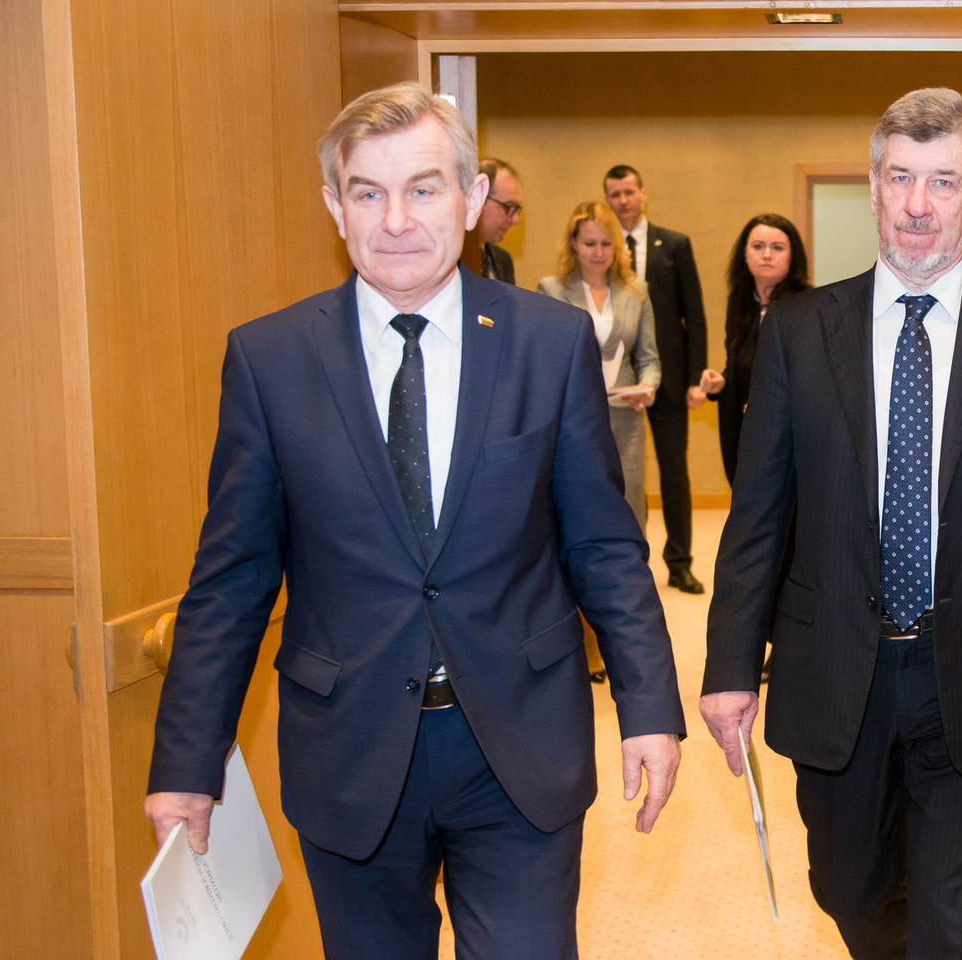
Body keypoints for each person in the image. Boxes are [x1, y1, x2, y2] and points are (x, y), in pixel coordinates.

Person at [144, 83, 685, 960]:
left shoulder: (549, 343)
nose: (396, 220)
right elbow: (232, 581)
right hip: (348, 752)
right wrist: (186, 764)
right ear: (335, 206)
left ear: (471, 199)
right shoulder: (270, 359)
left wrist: (648, 704)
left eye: (424, 189)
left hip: (519, 743)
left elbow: (603, 546)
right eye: (368, 193)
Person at [699, 87, 962, 959]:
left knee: (955, 917)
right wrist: (731, 664)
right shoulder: (799, 332)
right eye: (900, 178)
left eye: (942, 181)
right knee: (848, 890)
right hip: (832, 663)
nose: (918, 204)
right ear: (874, 186)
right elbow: (758, 517)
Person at [603, 164, 708, 594]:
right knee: (623, 471)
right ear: (607, 200)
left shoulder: (674, 244)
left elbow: (694, 315)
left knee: (673, 470)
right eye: (614, 194)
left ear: (643, 194)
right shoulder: (603, 247)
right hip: (620, 378)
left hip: (671, 376)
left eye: (629, 192)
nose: (623, 200)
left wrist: (695, 377)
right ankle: (628, 558)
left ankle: (680, 563)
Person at [538, 201, 661, 529]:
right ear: (573, 243)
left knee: (629, 503)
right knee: (579, 503)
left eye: (607, 243)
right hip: (574, 418)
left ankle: (631, 563)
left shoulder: (637, 292)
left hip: (626, 415)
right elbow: (546, 358)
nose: (599, 252)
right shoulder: (551, 289)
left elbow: (649, 358)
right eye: (590, 243)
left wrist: (648, 387)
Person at [698, 213, 811, 486]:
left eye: (778, 247)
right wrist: (721, 381)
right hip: (745, 426)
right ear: (744, 255)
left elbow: (810, 375)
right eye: (758, 246)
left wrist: (770, 403)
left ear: (792, 257)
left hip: (789, 433)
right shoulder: (740, 303)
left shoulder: (807, 304)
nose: (767, 255)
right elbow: (740, 363)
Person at [477, 157, 522, 283]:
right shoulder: (448, 260)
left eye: (516, 209)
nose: (515, 220)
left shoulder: (503, 260)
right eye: (508, 207)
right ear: (477, 197)